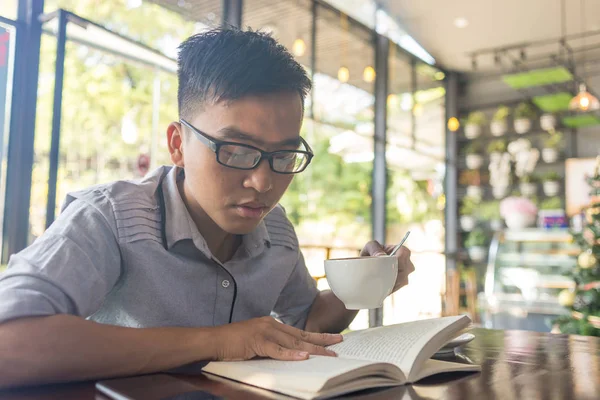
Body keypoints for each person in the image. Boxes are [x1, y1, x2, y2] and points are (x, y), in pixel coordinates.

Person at [0, 28, 414, 388]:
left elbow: (305, 323)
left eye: (285, 155)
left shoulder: (276, 230)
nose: (263, 182)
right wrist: (221, 340)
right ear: (178, 145)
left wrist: (368, 281)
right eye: (235, 150)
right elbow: (10, 341)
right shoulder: (109, 218)